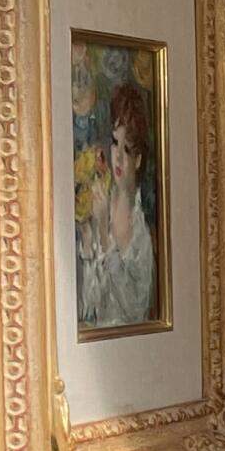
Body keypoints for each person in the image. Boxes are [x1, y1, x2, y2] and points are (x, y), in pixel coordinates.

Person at [81, 79, 159, 331]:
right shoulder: (101, 201)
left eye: (126, 150)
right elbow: (88, 306)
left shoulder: (140, 233)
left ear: (138, 159)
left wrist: (105, 238)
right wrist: (87, 247)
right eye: (115, 143)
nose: (117, 157)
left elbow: (136, 310)